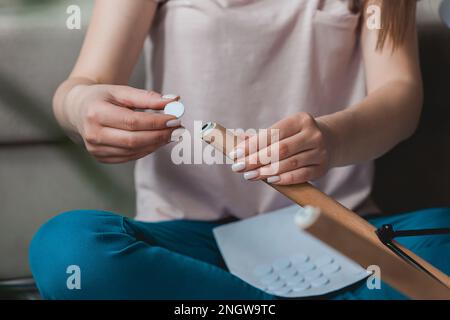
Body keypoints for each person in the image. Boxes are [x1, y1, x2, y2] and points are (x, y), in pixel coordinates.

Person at [29, 0, 450, 299]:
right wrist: (81, 107)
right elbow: (80, 86)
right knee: (69, 249)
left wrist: (332, 138)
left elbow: (400, 98)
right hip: (193, 244)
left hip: (339, 237)